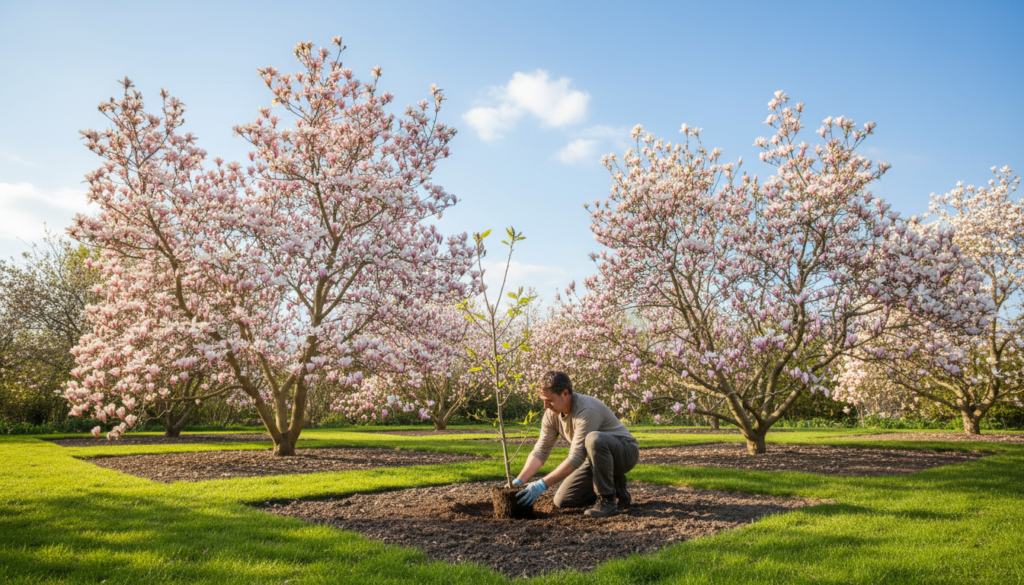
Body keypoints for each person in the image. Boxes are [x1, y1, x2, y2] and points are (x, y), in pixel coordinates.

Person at [513, 370, 640, 518]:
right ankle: (616, 486)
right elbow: (541, 450)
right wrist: (519, 482)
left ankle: (607, 501)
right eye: (543, 400)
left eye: (549, 400)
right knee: (563, 500)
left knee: (593, 439)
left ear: (565, 393)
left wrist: (542, 485)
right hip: (600, 459)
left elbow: (576, 457)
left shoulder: (586, 410)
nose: (545, 405)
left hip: (625, 453)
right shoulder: (551, 414)